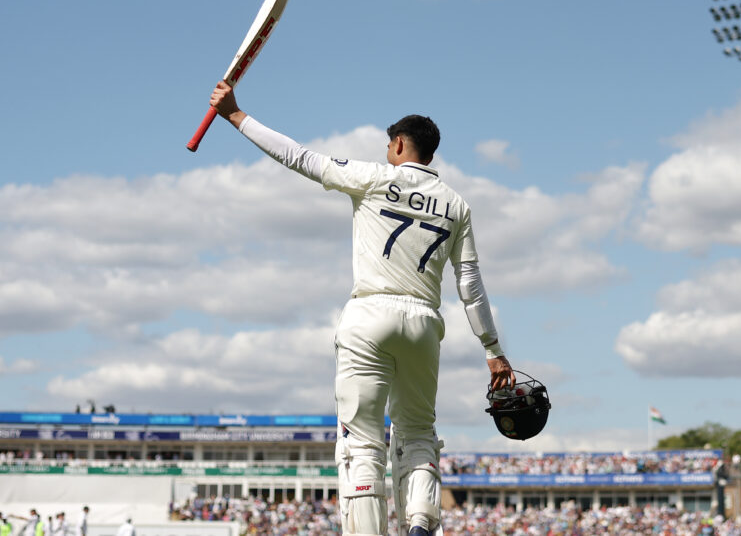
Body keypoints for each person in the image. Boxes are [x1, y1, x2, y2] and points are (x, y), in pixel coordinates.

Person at [206, 81, 515, 536]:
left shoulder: (373, 177)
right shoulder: (457, 204)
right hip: (425, 323)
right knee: (417, 433)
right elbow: (469, 282)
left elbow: (300, 158)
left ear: (398, 145)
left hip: (369, 315)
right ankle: (420, 524)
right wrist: (492, 348)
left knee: (363, 442)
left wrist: (236, 116)